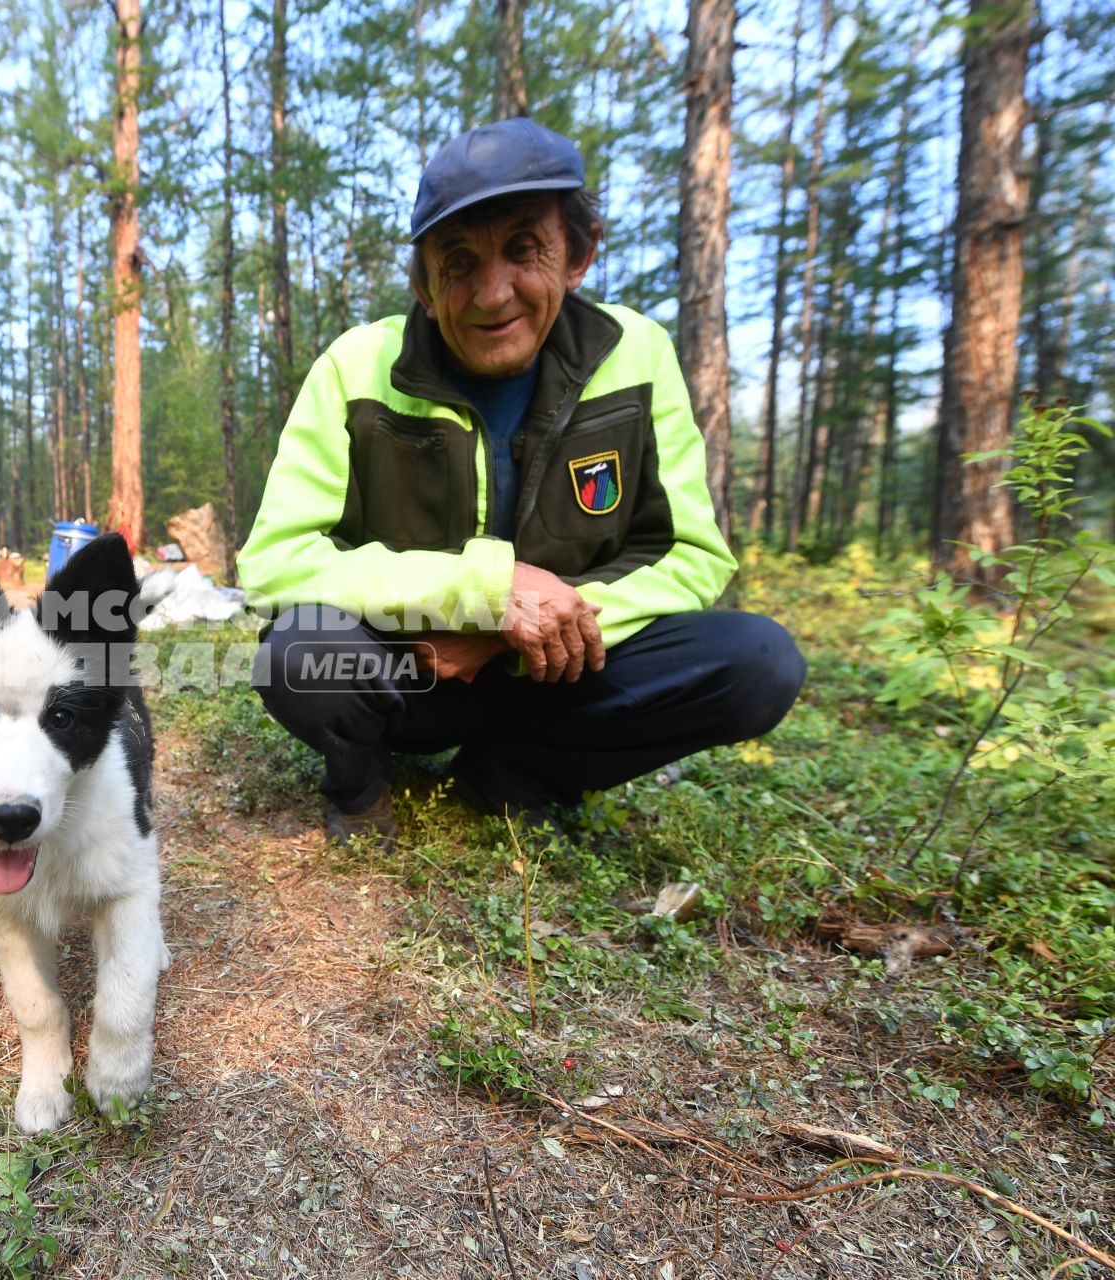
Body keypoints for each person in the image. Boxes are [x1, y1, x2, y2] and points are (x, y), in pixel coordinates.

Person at [237, 119, 805, 848]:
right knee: (297, 650)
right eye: (459, 261)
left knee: (757, 663)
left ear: (579, 255)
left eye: (522, 249)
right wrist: (478, 595)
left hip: (566, 676)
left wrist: (520, 629)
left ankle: (516, 775)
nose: (491, 292)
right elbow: (275, 563)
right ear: (421, 279)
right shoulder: (357, 366)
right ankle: (359, 787)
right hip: (415, 669)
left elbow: (690, 555)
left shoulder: (635, 355)